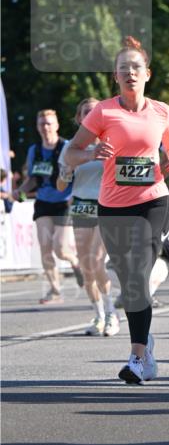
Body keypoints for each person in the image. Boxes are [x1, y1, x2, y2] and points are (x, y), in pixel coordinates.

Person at [64, 36, 169, 385]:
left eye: (135, 67)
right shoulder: (103, 111)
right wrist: (89, 155)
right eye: (122, 69)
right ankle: (146, 346)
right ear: (115, 77)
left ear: (147, 73)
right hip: (113, 206)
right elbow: (72, 153)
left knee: (136, 272)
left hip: (153, 200)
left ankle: (136, 358)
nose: (129, 73)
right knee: (131, 281)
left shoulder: (162, 111)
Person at [58, 98, 120, 336]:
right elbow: (60, 183)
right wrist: (67, 171)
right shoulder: (71, 147)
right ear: (79, 118)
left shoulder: (112, 141)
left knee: (96, 260)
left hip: (106, 206)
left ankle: (112, 313)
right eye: (86, 112)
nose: (91, 115)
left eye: (96, 112)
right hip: (82, 207)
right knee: (86, 268)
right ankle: (98, 315)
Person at [17, 109, 83, 303]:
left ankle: (75, 262)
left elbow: (77, 174)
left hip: (64, 201)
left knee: (61, 249)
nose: (45, 127)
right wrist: (19, 190)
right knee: (45, 249)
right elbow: (32, 179)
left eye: (48, 123)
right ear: (37, 127)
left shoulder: (66, 146)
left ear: (56, 125)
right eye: (41, 124)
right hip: (43, 202)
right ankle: (55, 291)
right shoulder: (34, 150)